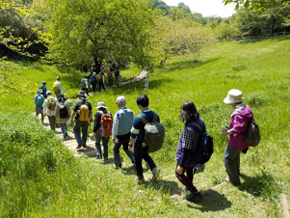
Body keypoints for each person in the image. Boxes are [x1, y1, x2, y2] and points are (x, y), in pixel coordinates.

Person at [221, 89, 253, 186]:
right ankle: (236, 173)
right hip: (244, 139)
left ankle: (234, 179)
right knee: (235, 156)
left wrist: (227, 132)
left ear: (233, 102)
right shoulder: (246, 108)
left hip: (236, 140)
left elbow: (238, 128)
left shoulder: (238, 114)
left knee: (227, 158)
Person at [175, 100, 204, 202]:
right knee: (189, 170)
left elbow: (186, 150)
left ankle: (194, 191)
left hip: (187, 156)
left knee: (178, 173)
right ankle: (188, 187)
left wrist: (181, 165)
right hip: (196, 153)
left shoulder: (188, 130)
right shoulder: (200, 121)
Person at [128, 94, 160, 184]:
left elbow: (133, 134)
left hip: (140, 143)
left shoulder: (138, 118)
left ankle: (140, 178)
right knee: (145, 155)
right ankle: (154, 169)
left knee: (138, 159)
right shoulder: (155, 115)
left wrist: (130, 145)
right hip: (151, 142)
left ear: (139, 106)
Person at [112, 96, 135, 169]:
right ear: (125, 103)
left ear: (118, 104)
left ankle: (117, 164)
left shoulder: (118, 114)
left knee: (116, 149)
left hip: (120, 135)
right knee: (127, 147)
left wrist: (114, 136)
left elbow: (115, 126)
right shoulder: (131, 112)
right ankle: (134, 160)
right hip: (129, 134)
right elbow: (135, 122)